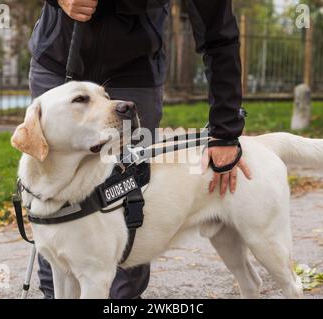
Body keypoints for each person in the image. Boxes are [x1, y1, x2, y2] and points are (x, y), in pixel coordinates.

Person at [29, 0, 251, 299]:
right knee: (54, 198)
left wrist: (225, 132)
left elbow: (219, 33)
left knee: (130, 198)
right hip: (59, 58)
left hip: (134, 73)